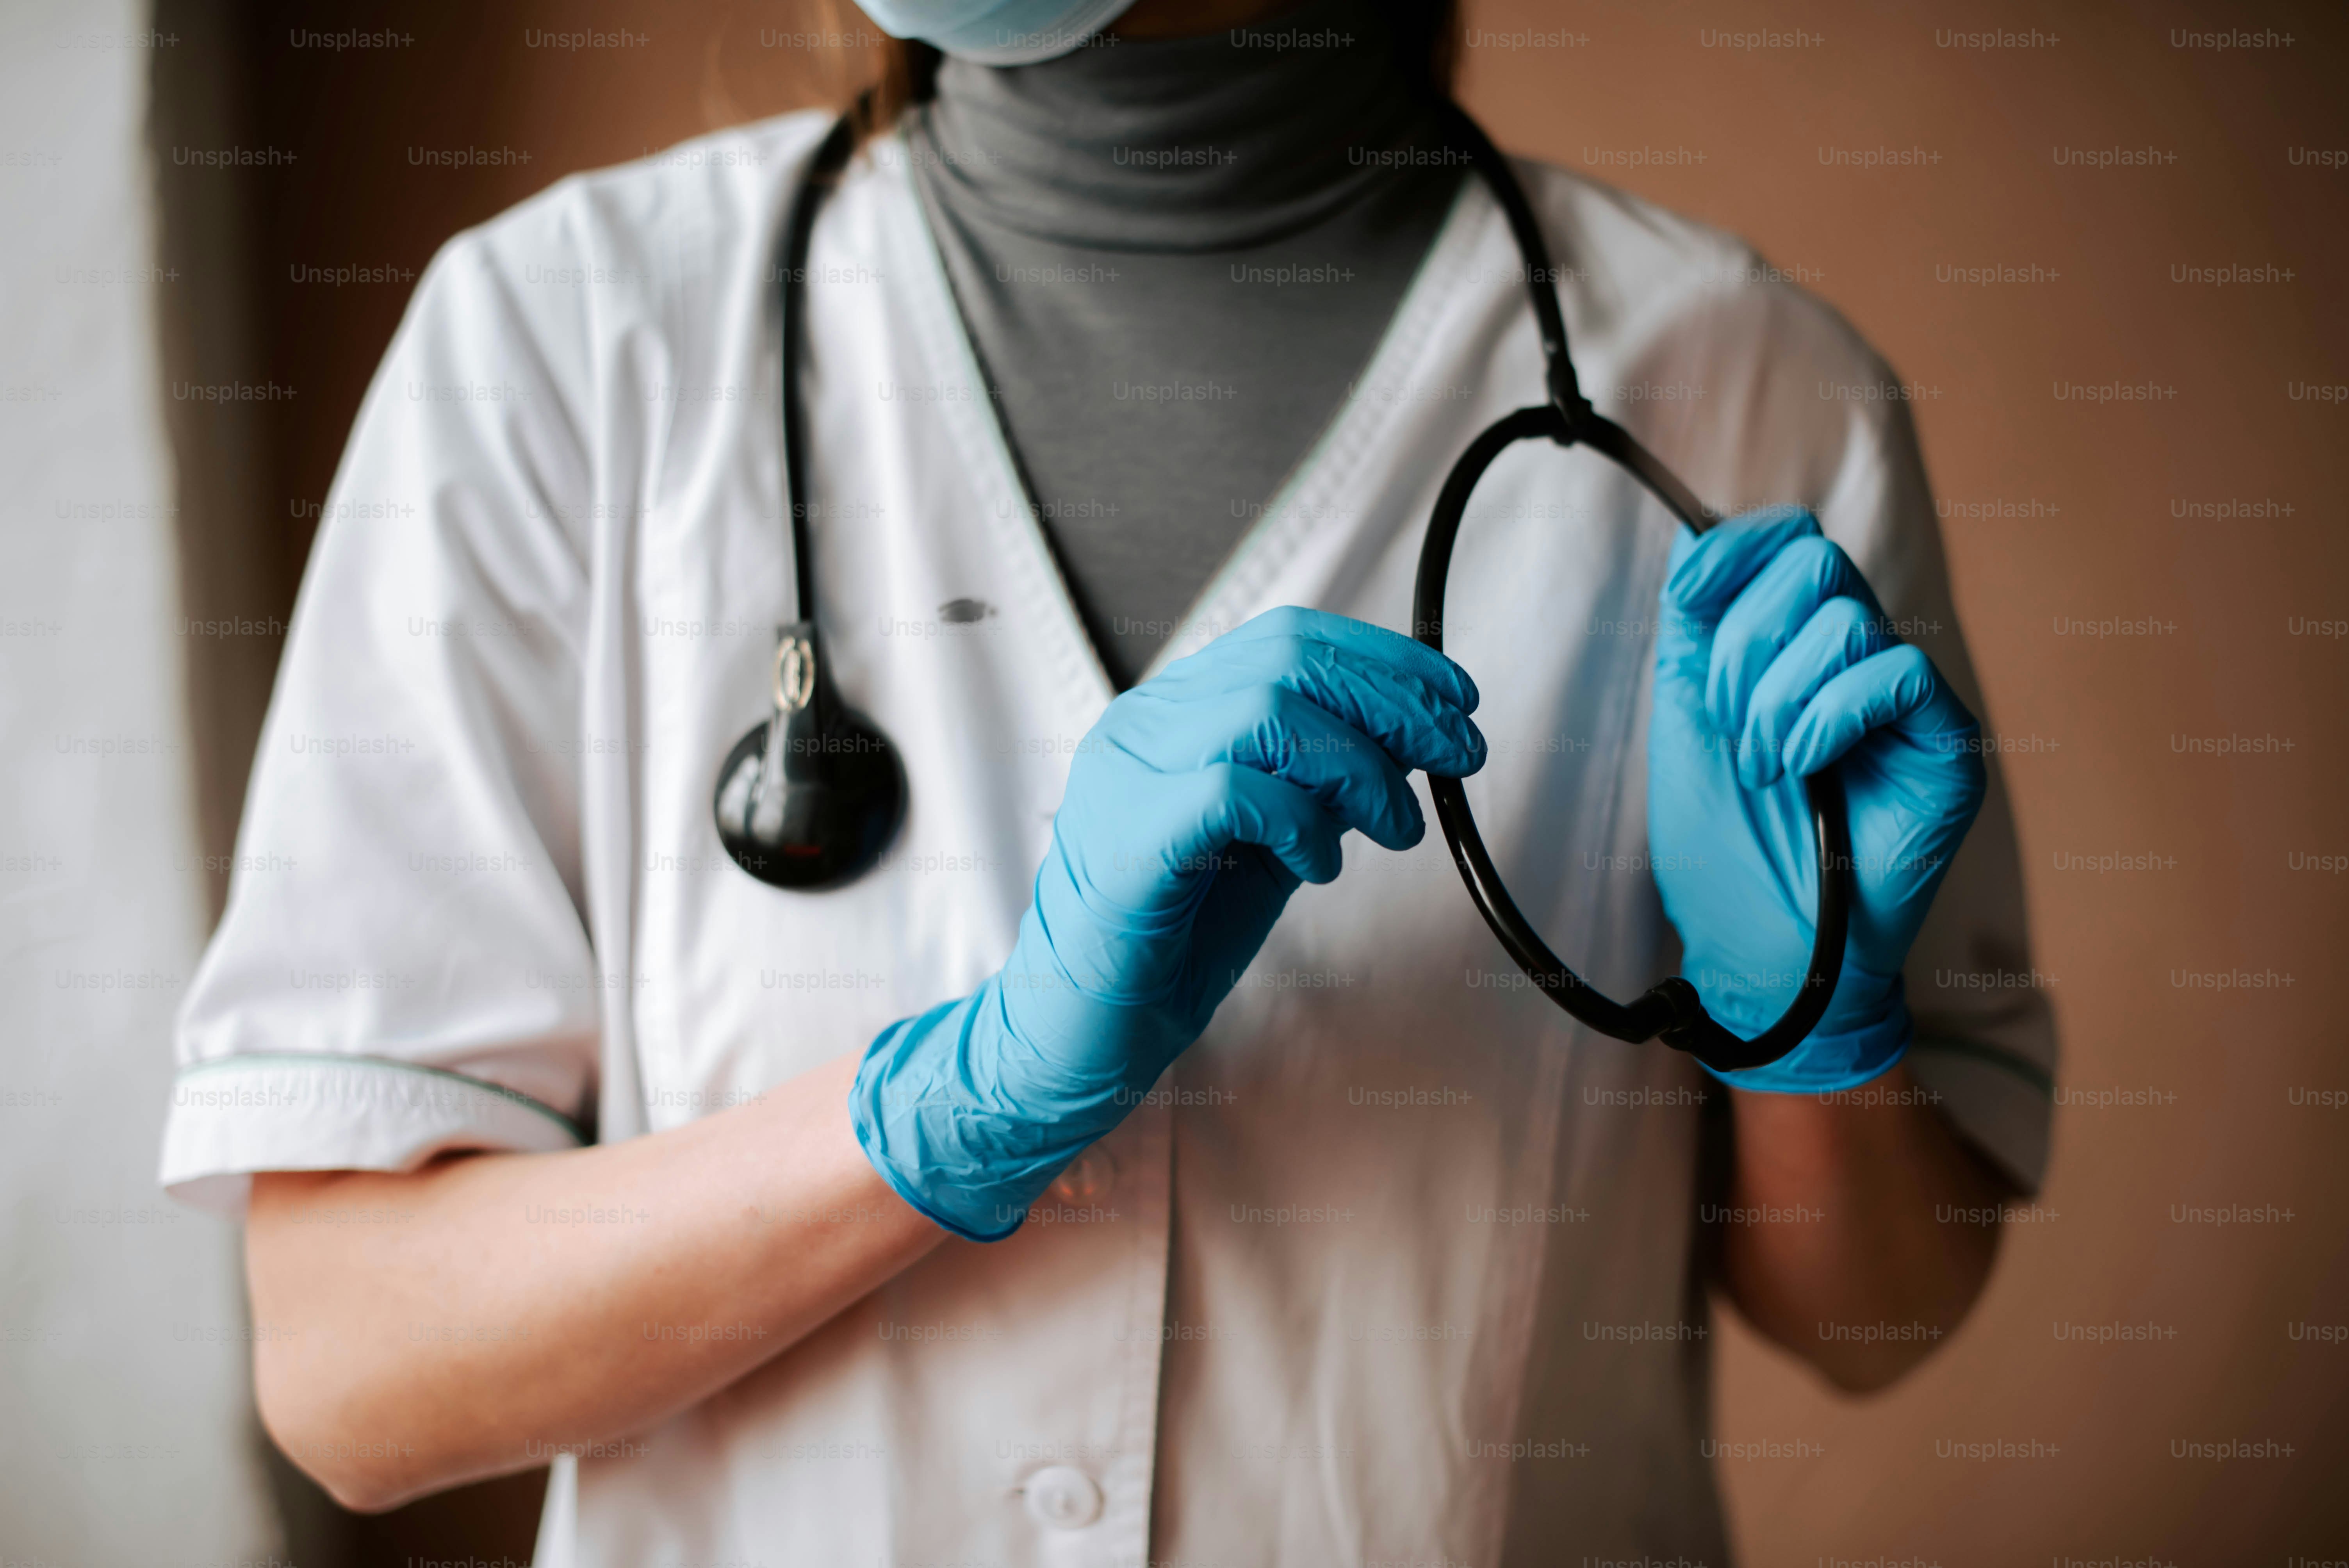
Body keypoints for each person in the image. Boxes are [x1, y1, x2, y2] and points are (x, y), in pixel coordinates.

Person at [159, 0, 2056, 1561]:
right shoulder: (562, 340)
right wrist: (952, 1107)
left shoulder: (1749, 391)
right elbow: (352, 1372)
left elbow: (1872, 1314)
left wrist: (1809, 1028)